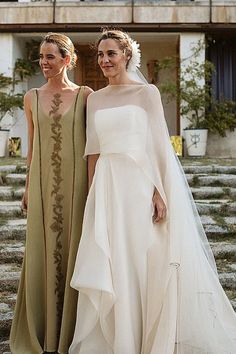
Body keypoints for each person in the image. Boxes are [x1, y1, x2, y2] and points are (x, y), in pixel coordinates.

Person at [69, 29, 236, 354]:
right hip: (108, 187)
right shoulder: (95, 100)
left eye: (111, 53)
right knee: (114, 260)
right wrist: (93, 197)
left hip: (140, 184)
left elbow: (160, 147)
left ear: (126, 56)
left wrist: (160, 192)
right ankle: (119, 339)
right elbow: (93, 152)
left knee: (143, 257)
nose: (104, 60)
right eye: (100, 55)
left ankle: (146, 337)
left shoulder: (148, 94)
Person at [10, 32, 93, 354]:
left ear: (67, 59)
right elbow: (32, 147)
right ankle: (42, 330)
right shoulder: (31, 96)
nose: (44, 63)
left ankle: (73, 333)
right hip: (44, 185)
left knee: (75, 249)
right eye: (41, 58)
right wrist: (29, 186)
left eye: (50, 57)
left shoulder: (86, 95)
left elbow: (94, 144)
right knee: (42, 251)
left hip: (77, 186)